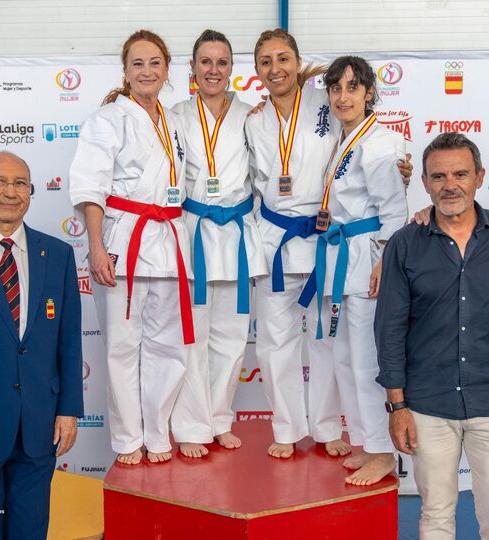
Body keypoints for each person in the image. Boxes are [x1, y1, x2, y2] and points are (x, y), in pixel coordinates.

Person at [245, 30, 411, 465]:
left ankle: (327, 427)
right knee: (276, 342)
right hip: (279, 240)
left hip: (328, 244)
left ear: (299, 62)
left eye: (284, 58)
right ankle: (287, 428)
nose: (276, 68)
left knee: (329, 343)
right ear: (257, 69)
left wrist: (402, 169)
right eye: (265, 61)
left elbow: (379, 162)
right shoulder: (252, 120)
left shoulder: (325, 103)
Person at [375, 132, 489, 539]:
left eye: (460, 174)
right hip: (427, 405)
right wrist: (397, 406)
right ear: (425, 182)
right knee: (435, 516)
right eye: (439, 176)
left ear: (480, 177)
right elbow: (390, 328)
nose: (450, 185)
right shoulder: (404, 244)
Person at [69, 29, 193, 465]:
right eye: (137, 63)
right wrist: (96, 246)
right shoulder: (107, 119)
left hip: (168, 240)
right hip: (124, 239)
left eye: (155, 63)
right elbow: (91, 188)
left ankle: (157, 434)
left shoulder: (173, 121)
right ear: (125, 71)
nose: (146, 71)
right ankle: (127, 439)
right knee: (122, 348)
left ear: (167, 69)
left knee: (168, 346)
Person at [297, 56, 408, 485]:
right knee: (343, 358)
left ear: (369, 93)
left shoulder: (379, 143)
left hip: (365, 259)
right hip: (339, 256)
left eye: (352, 88)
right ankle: (365, 442)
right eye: (335, 88)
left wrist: (384, 261)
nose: (343, 97)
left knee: (364, 360)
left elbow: (393, 211)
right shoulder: (345, 138)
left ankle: (382, 451)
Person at [0, 151, 83, 540]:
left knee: (30, 531)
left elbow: (69, 340)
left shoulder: (59, 255)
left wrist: (69, 409)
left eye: (20, 183)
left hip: (39, 430)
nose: (10, 192)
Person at [170, 30, 267, 458]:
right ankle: (192, 425)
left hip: (237, 232)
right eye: (205, 62)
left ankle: (219, 419)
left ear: (232, 68)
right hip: (193, 230)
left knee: (231, 335)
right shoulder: (175, 116)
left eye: (221, 62)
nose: (213, 70)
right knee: (192, 335)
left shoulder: (252, 115)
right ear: (192, 68)